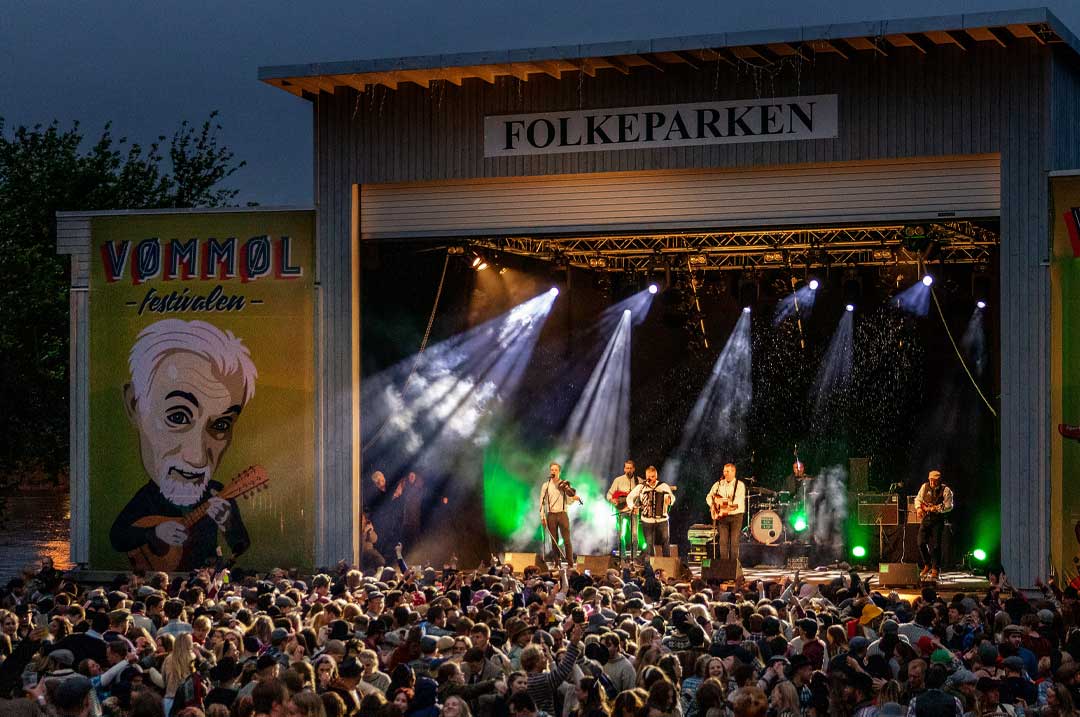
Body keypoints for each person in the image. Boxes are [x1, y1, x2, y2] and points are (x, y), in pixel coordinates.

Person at [109, 319, 254, 571]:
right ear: (135, 406)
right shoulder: (149, 499)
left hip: (206, 575)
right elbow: (118, 537)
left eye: (220, 426)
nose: (198, 458)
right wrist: (154, 533)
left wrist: (229, 524)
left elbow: (241, 543)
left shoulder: (219, 494)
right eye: (177, 417)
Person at [625, 467, 675, 558]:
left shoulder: (663, 486)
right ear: (646, 476)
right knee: (649, 544)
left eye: (653, 476)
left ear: (656, 476)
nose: (651, 478)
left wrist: (670, 500)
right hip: (647, 520)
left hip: (662, 519)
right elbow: (629, 497)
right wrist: (633, 507)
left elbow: (672, 497)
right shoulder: (641, 487)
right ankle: (651, 566)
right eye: (649, 476)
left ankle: (667, 564)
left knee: (665, 541)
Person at [914, 469, 954, 581]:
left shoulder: (946, 490)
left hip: (938, 520)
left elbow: (949, 506)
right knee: (920, 542)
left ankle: (935, 568)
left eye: (934, 481)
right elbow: (918, 499)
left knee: (936, 546)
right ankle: (927, 565)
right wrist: (918, 509)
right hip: (926, 519)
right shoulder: (924, 487)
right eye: (930, 480)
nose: (932, 483)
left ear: (939, 480)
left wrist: (936, 509)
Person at [538, 463, 578, 566]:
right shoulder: (546, 485)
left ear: (559, 472)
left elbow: (568, 501)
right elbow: (542, 502)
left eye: (555, 470)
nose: (553, 472)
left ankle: (570, 562)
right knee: (554, 540)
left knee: (567, 540)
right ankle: (557, 562)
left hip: (563, 514)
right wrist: (542, 516)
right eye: (552, 470)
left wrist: (573, 498)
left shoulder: (564, 484)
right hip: (551, 515)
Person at [706, 464, 746, 563]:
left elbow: (737, 501)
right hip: (722, 517)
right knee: (723, 541)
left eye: (727, 471)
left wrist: (724, 505)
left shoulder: (740, 485)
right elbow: (709, 496)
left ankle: (733, 566)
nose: (725, 474)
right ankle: (724, 566)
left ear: (733, 472)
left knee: (734, 541)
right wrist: (713, 505)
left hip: (736, 516)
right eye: (724, 471)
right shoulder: (718, 484)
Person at [606, 460, 642, 563]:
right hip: (621, 511)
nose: (628, 470)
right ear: (624, 469)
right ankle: (622, 557)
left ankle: (633, 557)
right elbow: (609, 494)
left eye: (630, 468)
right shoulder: (618, 480)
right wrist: (612, 500)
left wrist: (638, 506)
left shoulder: (638, 480)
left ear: (634, 469)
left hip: (633, 511)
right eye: (627, 468)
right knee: (620, 534)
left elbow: (643, 495)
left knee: (634, 535)